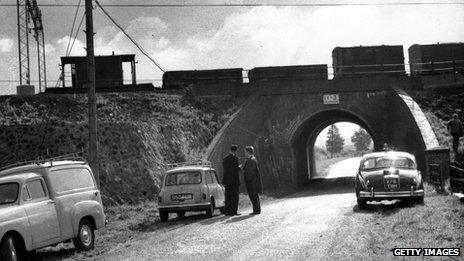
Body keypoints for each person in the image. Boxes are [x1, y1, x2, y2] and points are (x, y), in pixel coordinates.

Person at [242, 146, 263, 215]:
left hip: (251, 181)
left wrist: (248, 180)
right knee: (255, 196)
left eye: (245, 151)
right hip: (253, 180)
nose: (244, 153)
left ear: (248, 152)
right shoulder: (253, 158)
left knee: (253, 196)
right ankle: (257, 209)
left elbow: (250, 172)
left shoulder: (250, 160)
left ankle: (256, 210)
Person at [222, 145, 241, 216]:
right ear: (235, 151)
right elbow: (235, 169)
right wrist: (239, 168)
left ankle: (227, 211)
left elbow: (226, 169)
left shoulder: (225, 159)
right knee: (235, 196)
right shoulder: (235, 158)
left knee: (228, 196)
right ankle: (234, 211)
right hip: (234, 180)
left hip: (227, 180)